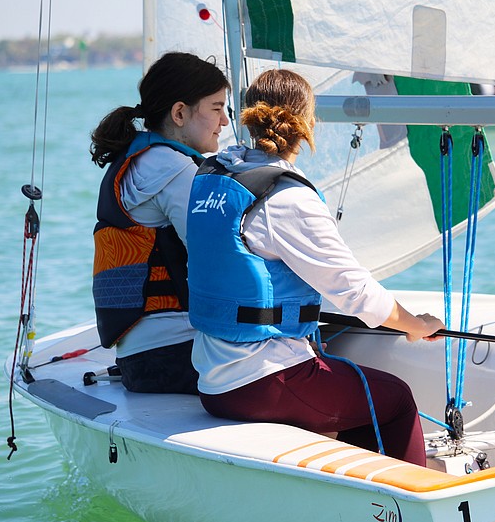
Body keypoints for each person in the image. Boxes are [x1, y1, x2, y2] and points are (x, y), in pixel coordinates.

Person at [186, 69, 444, 466]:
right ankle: (413, 502)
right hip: (262, 380)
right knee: (394, 401)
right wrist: (416, 325)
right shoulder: (286, 197)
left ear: (249, 117)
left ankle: (358, 493)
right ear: (308, 122)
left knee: (360, 406)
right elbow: (355, 292)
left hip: (213, 381)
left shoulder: (215, 176)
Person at [90, 52, 230, 394]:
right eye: (216, 108)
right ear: (179, 113)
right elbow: (222, 259)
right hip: (176, 353)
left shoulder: (136, 159)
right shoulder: (173, 168)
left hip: (140, 358)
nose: (225, 121)